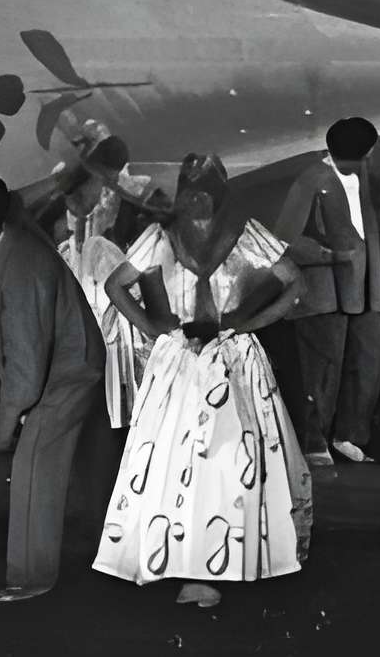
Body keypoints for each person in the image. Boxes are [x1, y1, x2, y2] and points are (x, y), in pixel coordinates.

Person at [92, 153, 312, 608]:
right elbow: (115, 286)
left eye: (208, 190)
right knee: (176, 459)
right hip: (180, 363)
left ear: (221, 192)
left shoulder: (248, 234)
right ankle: (180, 558)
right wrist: (152, 327)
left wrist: (254, 323)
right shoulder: (159, 237)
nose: (200, 199)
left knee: (229, 458)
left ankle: (219, 560)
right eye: (192, 189)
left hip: (233, 359)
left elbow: (296, 284)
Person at [0, 172, 105, 602]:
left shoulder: (19, 262)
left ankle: (30, 578)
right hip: (72, 363)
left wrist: (3, 430)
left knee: (34, 468)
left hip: (66, 374)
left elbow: (25, 369)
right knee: (67, 469)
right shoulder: (16, 237)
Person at [267, 117, 380, 466]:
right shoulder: (312, 179)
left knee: (369, 361)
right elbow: (284, 238)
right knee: (322, 369)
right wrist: (329, 257)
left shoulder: (360, 178)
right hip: (324, 293)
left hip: (362, 291)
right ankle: (314, 444)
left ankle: (349, 435)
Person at [43, 136, 151, 431]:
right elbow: (73, 224)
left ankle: (120, 408)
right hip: (88, 269)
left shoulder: (121, 193)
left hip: (104, 269)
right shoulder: (81, 189)